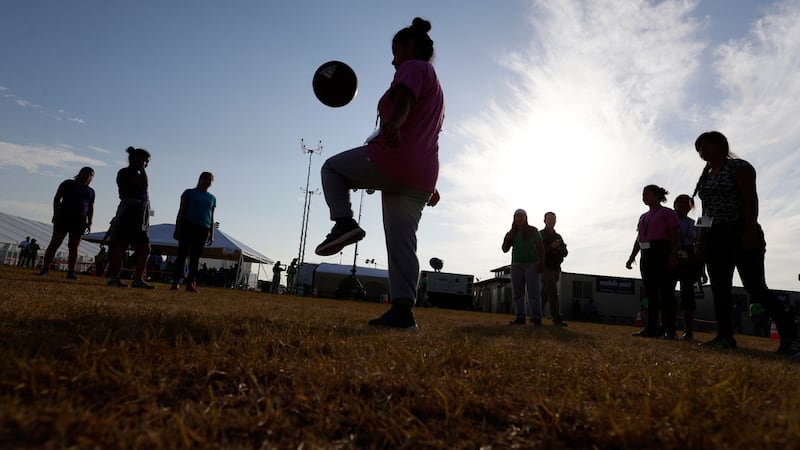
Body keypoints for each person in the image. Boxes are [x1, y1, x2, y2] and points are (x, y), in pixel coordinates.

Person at [314, 17, 444, 331]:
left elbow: (404, 100)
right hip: (421, 175)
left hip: (394, 160)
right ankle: (402, 313)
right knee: (402, 244)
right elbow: (427, 133)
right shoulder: (437, 86)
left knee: (331, 168)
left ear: (409, 47)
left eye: (394, 51)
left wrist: (394, 123)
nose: (392, 59)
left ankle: (343, 222)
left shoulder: (413, 67)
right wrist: (431, 184)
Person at [693, 131, 799, 353]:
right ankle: (724, 336)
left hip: (740, 230)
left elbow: (751, 199)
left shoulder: (739, 167)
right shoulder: (706, 176)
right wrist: (700, 242)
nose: (702, 151)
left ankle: (791, 336)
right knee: (720, 288)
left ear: (721, 145)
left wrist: (749, 231)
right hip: (715, 236)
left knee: (755, 286)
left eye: (706, 145)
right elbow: (706, 212)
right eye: (699, 148)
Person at [626, 185, 680, 339]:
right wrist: (632, 257)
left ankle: (670, 329)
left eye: (647, 194)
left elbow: (675, 235)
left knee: (666, 292)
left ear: (657, 195)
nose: (644, 197)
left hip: (662, 251)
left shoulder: (667, 213)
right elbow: (639, 239)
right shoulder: (643, 217)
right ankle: (651, 328)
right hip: (646, 254)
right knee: (651, 293)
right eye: (643, 194)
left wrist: (673, 255)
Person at [106, 146, 155, 289]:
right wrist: (142, 168)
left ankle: (138, 279)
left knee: (145, 248)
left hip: (142, 210)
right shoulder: (125, 173)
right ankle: (114, 278)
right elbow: (144, 184)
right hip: (130, 209)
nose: (147, 164)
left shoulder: (136, 173)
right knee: (121, 245)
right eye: (146, 161)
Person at [38, 167, 95, 279]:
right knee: (55, 243)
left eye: (91, 174)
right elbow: (57, 198)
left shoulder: (91, 191)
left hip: (80, 219)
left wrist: (90, 222)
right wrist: (56, 213)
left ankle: (71, 272)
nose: (88, 176)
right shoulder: (68, 184)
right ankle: (45, 269)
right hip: (64, 216)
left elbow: (91, 207)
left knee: (74, 246)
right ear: (80, 173)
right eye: (86, 173)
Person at [171, 172, 216, 293]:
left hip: (203, 228)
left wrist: (212, 233)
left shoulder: (212, 198)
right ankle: (175, 282)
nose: (207, 182)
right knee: (182, 254)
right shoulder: (189, 193)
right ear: (200, 179)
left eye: (209, 180)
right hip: (188, 225)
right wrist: (177, 228)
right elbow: (181, 210)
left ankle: (190, 283)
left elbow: (211, 216)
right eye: (205, 179)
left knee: (195, 258)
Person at [502, 209, 545, 326]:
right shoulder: (512, 232)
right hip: (516, 265)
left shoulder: (533, 230)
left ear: (526, 218)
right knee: (518, 293)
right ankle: (520, 318)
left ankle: (537, 318)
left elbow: (541, 247)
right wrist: (507, 238)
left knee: (533, 293)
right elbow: (504, 249)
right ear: (514, 218)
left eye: (521, 216)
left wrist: (541, 263)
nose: (519, 218)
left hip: (532, 264)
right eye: (517, 216)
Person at [672, 194, 705, 340]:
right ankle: (668, 327)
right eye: (681, 202)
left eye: (688, 203)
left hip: (689, 260)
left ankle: (688, 330)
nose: (684, 205)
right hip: (671, 255)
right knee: (667, 293)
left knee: (688, 295)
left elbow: (700, 247)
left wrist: (702, 269)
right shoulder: (668, 218)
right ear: (675, 204)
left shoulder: (695, 223)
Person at [540, 211, 568, 326]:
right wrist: (551, 247)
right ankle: (557, 318)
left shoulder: (558, 237)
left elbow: (565, 252)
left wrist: (559, 249)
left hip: (556, 267)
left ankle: (536, 314)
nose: (552, 221)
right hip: (545, 266)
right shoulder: (540, 234)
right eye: (549, 219)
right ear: (545, 220)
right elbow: (537, 250)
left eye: (554, 219)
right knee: (553, 292)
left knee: (546, 293)